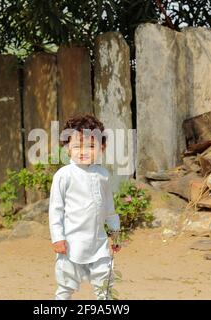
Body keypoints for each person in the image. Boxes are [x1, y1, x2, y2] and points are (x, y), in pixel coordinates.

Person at [49, 114, 121, 300]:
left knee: (104, 286)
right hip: (72, 244)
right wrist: (58, 238)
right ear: (66, 148)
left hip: (99, 242)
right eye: (77, 146)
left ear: (101, 148)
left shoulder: (102, 174)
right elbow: (55, 210)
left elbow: (108, 206)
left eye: (90, 146)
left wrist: (116, 232)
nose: (84, 151)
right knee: (66, 286)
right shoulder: (63, 175)